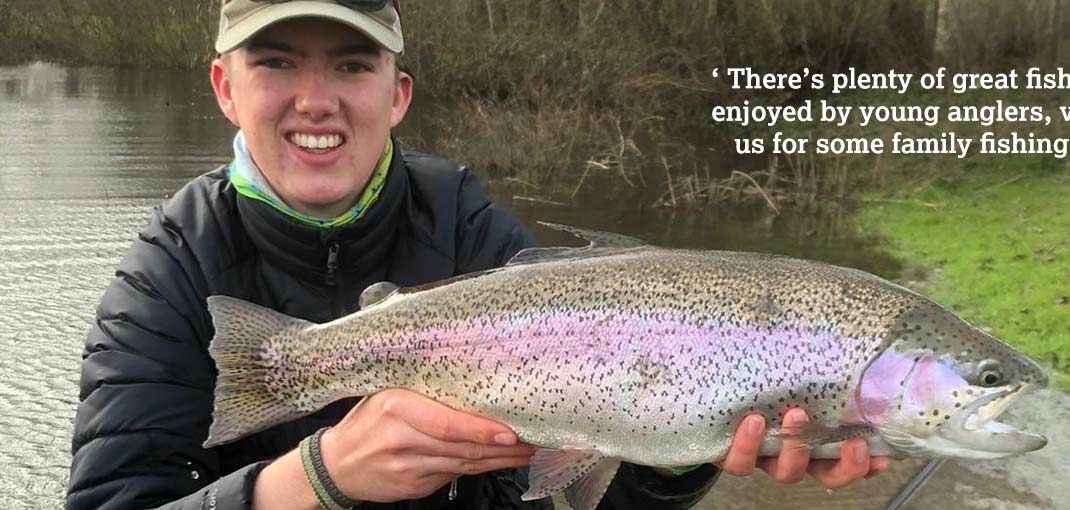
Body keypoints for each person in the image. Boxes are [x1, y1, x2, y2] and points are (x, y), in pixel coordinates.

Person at [65, 1, 889, 509]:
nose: (315, 100)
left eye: (351, 65)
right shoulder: (163, 280)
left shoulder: (472, 231)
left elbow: (594, 485)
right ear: (223, 88)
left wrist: (688, 453)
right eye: (276, 63)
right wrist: (313, 479)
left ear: (397, 94)